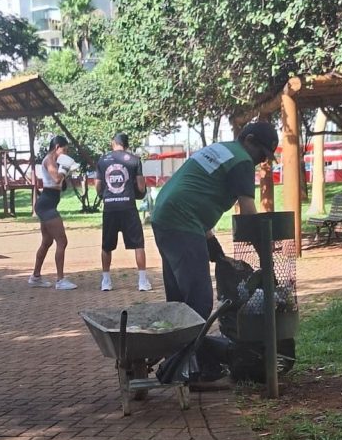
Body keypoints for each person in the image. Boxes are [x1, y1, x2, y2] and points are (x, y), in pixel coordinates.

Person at [151, 121, 279, 319]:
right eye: (261, 154)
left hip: (164, 215)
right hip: (182, 220)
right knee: (198, 302)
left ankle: (177, 348)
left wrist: (212, 245)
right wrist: (264, 254)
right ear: (249, 140)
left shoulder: (222, 149)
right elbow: (248, 213)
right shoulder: (242, 160)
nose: (262, 160)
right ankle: (190, 350)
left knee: (178, 299)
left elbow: (196, 192)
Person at [95, 132, 151, 291]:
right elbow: (141, 187)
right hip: (128, 207)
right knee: (138, 244)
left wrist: (104, 196)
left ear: (113, 143)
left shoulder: (102, 160)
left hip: (110, 207)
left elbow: (98, 186)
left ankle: (106, 281)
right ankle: (142, 281)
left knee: (107, 245)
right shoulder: (134, 160)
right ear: (126, 145)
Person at [28, 135, 78, 290]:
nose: (65, 152)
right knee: (62, 241)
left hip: (47, 203)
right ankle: (60, 280)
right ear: (57, 147)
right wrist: (65, 169)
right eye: (64, 149)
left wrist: (66, 173)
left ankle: (35, 277)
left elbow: (59, 184)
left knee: (47, 242)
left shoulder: (54, 160)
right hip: (47, 205)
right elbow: (56, 179)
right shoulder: (50, 159)